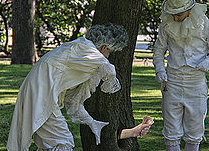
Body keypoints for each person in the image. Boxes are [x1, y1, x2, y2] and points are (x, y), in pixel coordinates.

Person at [7, 23, 132, 151]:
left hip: (39, 92)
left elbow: (73, 102)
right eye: (109, 52)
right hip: (41, 94)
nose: (107, 56)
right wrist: (109, 84)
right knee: (63, 142)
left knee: (51, 143)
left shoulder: (80, 50)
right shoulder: (88, 51)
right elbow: (109, 71)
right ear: (103, 47)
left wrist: (92, 122)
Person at [153, 0, 209, 151]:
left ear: (189, 9)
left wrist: (206, 64)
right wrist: (160, 69)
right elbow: (158, 50)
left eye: (178, 14)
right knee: (171, 127)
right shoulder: (166, 25)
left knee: (195, 126)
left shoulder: (207, 25)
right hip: (172, 83)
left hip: (196, 83)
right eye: (172, 14)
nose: (175, 18)